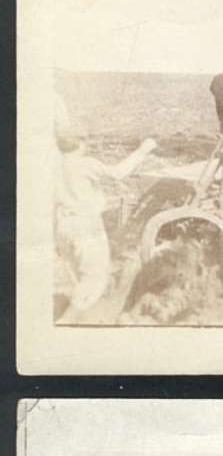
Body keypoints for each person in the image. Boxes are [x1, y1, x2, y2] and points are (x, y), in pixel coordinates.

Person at [54, 132, 157, 322]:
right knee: (94, 281)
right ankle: (65, 324)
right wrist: (142, 150)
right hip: (86, 225)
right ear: (80, 146)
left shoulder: (52, 166)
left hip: (63, 225)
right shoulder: (85, 163)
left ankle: (80, 320)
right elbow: (117, 173)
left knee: (76, 278)